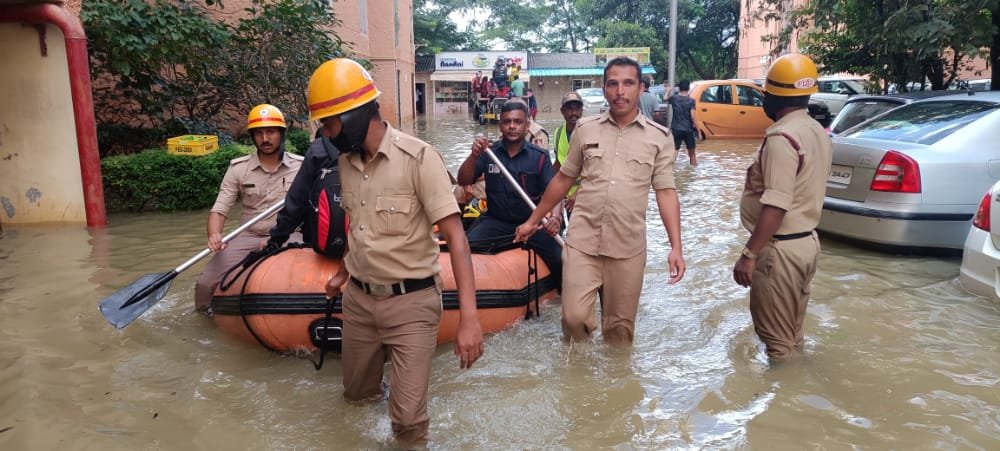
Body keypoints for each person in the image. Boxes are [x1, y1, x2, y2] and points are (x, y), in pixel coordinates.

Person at [310, 58, 483, 445]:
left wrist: (470, 319)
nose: (326, 133)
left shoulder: (419, 159)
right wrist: (342, 273)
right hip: (358, 302)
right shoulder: (346, 163)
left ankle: (408, 399)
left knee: (407, 422)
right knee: (356, 398)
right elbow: (359, 226)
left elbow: (457, 238)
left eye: (330, 123)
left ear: (353, 116)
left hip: (412, 302)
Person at [514, 57, 686, 345]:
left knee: (619, 333)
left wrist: (676, 247)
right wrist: (533, 220)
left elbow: (666, 192)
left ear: (640, 88)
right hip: (583, 243)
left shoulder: (660, 138)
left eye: (628, 83)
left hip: (628, 248)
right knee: (573, 319)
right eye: (613, 84)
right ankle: (579, 382)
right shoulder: (586, 129)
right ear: (604, 89)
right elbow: (563, 179)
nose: (620, 91)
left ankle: (615, 385)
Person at [732, 53, 832, 362]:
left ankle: (785, 402)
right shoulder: (816, 131)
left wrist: (749, 255)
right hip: (807, 245)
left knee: (776, 344)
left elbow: (775, 204)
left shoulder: (781, 138)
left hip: (780, 252)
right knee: (792, 336)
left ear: (774, 95)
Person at [194, 104, 302, 311]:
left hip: (289, 235)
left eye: (271, 132)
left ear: (281, 133)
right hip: (248, 235)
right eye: (259, 133)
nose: (265, 139)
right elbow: (220, 208)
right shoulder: (238, 168)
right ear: (252, 137)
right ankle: (204, 320)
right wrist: (214, 234)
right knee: (204, 283)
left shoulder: (302, 167)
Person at [457, 100, 563, 289]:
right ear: (500, 125)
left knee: (560, 259)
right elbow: (464, 180)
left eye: (517, 122)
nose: (512, 126)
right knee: (465, 248)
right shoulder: (489, 152)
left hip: (532, 223)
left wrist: (555, 217)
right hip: (497, 220)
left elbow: (554, 192)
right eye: (507, 122)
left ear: (527, 125)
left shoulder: (539, 157)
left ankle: (561, 296)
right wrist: (473, 156)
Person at [552, 91, 584, 213]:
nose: (574, 113)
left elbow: (596, 171)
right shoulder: (558, 133)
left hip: (585, 195)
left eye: (577, 109)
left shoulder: (589, 132)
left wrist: (578, 193)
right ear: (562, 111)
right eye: (569, 109)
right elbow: (558, 164)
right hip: (566, 193)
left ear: (582, 110)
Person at [668, 80, 698, 166]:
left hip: (676, 129)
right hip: (688, 130)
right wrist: (698, 130)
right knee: (692, 154)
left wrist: (668, 90)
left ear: (679, 88)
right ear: (688, 88)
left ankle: (670, 169)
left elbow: (665, 98)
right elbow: (692, 116)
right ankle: (693, 173)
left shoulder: (674, 98)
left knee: (675, 151)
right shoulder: (691, 101)